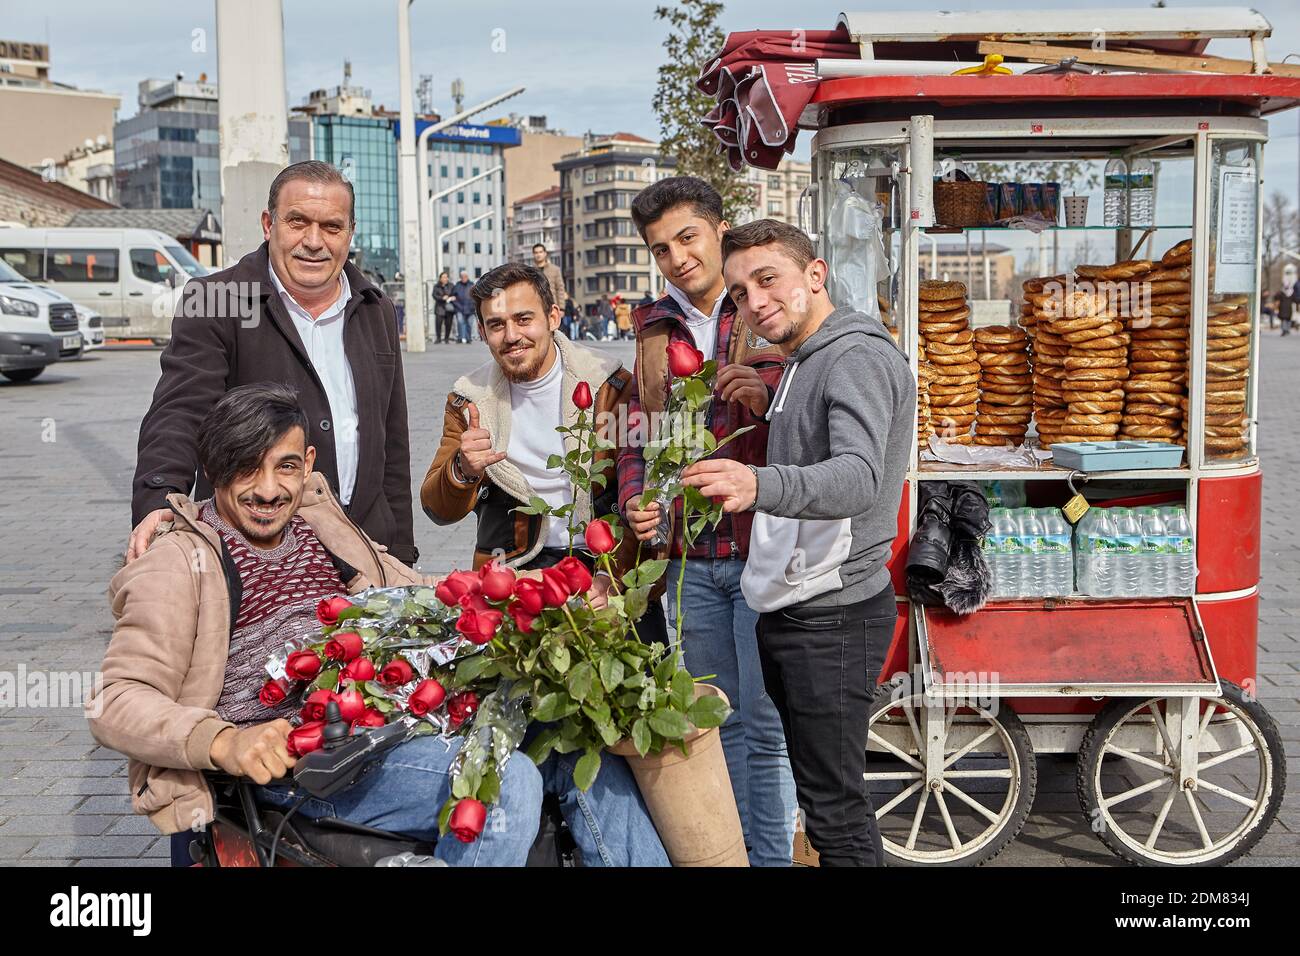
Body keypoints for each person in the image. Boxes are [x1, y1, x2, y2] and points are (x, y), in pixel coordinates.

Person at [91, 383, 667, 867]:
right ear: (213, 470)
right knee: (505, 781)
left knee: (581, 737)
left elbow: (421, 594)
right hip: (307, 766)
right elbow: (115, 700)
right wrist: (224, 741)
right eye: (246, 470)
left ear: (309, 464)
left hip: (399, 722)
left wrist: (546, 594)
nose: (268, 489)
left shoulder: (324, 527)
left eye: (285, 467)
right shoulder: (179, 560)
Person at [682, 219, 914, 867]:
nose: (754, 303)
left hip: (832, 617)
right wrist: (767, 405)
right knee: (823, 801)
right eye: (737, 292)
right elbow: (822, 443)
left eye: (767, 279)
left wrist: (755, 483)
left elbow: (860, 477)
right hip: (801, 604)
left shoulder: (856, 356)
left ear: (815, 275)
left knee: (835, 814)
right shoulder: (807, 360)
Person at [618, 176, 798, 866]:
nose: (677, 258)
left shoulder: (765, 303)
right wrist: (637, 500)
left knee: (766, 725)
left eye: (687, 237)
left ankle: (774, 856)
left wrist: (768, 397)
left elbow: (817, 405)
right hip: (691, 557)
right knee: (713, 719)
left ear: (720, 228)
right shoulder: (653, 328)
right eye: (660, 249)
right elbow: (637, 431)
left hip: (763, 548)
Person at [126, 160, 417, 567]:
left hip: (366, 544)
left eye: (331, 227)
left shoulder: (375, 307)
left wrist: (400, 549)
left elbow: (392, 440)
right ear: (269, 224)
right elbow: (180, 411)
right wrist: (160, 499)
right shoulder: (217, 299)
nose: (314, 241)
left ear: (350, 234)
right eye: (297, 222)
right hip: (258, 553)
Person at [421, 263, 669, 646]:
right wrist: (464, 468)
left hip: (603, 563)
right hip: (515, 568)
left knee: (642, 689)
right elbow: (438, 510)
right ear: (483, 331)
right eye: (496, 324)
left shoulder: (611, 385)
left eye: (524, 319)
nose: (512, 336)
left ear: (553, 317)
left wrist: (614, 577)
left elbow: (642, 493)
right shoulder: (469, 398)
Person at [532, 243, 568, 311]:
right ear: (533, 254)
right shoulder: (530, 271)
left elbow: (560, 289)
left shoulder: (555, 269)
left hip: (552, 304)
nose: (538, 255)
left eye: (540, 252)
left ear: (545, 253)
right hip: (536, 305)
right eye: (536, 252)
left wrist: (562, 308)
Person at [1273, 265, 1299, 337]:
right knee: (1287, 319)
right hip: (1288, 308)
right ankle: (1286, 329)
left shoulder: (1282, 292)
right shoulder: (1292, 292)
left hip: (1283, 307)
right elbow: (1295, 299)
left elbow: (1276, 297)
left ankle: (1284, 330)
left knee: (1284, 319)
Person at [453, 270, 476, 344]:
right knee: (460, 322)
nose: (464, 278)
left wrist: (473, 306)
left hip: (470, 308)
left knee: (469, 323)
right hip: (459, 308)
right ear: (460, 277)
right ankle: (460, 337)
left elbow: (475, 297)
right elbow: (454, 297)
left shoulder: (472, 285)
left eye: (465, 276)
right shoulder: (457, 285)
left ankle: (468, 338)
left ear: (467, 277)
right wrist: (457, 305)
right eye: (462, 276)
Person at [432, 270, 456, 344]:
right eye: (443, 277)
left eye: (446, 277)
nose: (445, 278)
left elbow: (455, 293)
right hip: (440, 307)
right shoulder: (436, 286)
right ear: (440, 278)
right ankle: (438, 338)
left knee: (448, 324)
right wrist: (442, 298)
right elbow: (434, 295)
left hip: (449, 308)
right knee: (438, 324)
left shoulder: (451, 285)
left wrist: (452, 297)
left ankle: (446, 338)